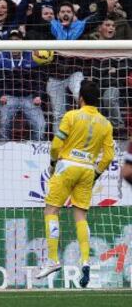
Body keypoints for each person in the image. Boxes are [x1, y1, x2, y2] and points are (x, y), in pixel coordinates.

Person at [35, 80, 114, 288]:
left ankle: (53, 260)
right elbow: (108, 156)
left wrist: (53, 163)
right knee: (80, 215)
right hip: (88, 169)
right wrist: (95, 173)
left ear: (80, 98)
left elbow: (55, 145)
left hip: (67, 166)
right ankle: (86, 261)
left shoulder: (71, 116)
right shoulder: (106, 124)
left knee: (51, 210)